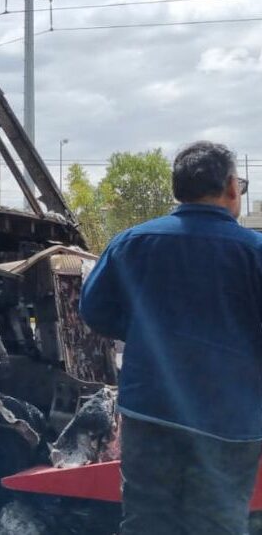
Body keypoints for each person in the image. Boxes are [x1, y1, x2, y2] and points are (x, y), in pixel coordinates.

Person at [80, 141, 262, 535]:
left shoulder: (131, 243)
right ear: (231, 187)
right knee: (218, 523)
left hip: (150, 410)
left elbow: (94, 311)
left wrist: (148, 336)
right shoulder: (254, 252)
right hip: (228, 420)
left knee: (147, 521)